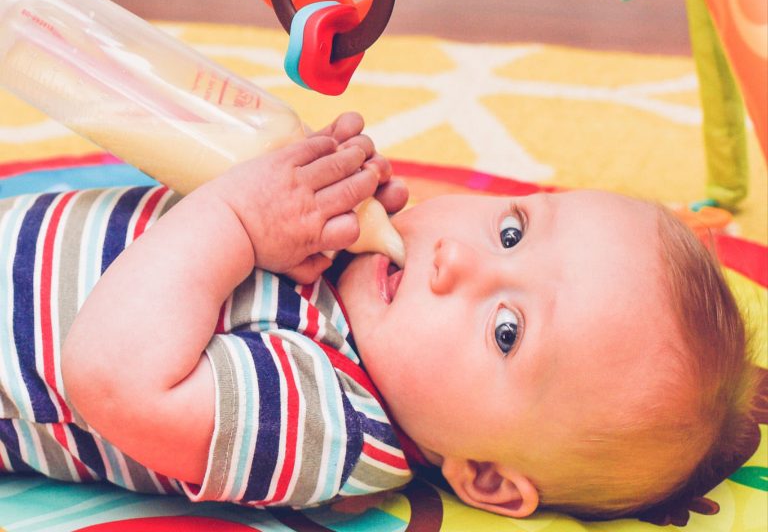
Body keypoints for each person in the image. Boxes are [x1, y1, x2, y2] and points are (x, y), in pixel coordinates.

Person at [0, 113, 755, 520]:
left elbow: (109, 376)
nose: (456, 261)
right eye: (511, 232)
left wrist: (236, 217)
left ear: (486, 476)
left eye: (506, 331)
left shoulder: (332, 419)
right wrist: (288, 185)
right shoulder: (353, 281)